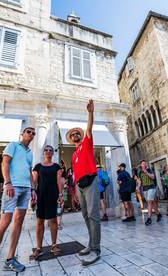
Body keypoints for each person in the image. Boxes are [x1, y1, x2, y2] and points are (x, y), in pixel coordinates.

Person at [0, 127, 37, 275]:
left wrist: (33, 189)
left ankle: (10, 258)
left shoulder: (30, 153)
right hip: (13, 187)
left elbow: (29, 170)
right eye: (28, 131)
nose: (31, 134)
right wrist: (7, 183)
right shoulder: (13, 145)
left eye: (33, 133)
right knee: (4, 222)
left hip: (26, 189)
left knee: (18, 222)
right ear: (22, 134)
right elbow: (5, 163)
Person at [67, 99, 101, 266]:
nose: (75, 135)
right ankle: (91, 243)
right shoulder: (73, 155)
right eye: (72, 135)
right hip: (79, 186)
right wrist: (74, 191)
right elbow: (74, 173)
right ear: (71, 139)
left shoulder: (87, 143)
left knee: (94, 215)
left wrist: (90, 112)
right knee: (85, 215)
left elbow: (89, 127)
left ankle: (96, 249)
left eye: (76, 133)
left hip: (91, 181)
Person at [29, 145, 63, 260]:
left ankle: (54, 245)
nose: (48, 152)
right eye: (46, 150)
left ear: (53, 153)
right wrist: (32, 193)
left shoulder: (57, 167)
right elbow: (34, 182)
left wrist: (60, 194)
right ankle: (39, 247)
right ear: (43, 153)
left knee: (53, 219)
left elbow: (59, 182)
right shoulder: (37, 167)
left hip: (53, 194)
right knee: (40, 221)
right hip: (41, 194)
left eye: (50, 150)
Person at [139, 160, 161, 225]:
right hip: (145, 189)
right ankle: (158, 214)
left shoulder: (149, 170)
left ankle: (149, 219)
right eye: (143, 164)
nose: (144, 165)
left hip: (151, 187)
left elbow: (153, 177)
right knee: (152, 203)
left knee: (149, 202)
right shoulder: (140, 172)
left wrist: (146, 172)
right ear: (141, 165)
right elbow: (140, 181)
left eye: (145, 163)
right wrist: (138, 187)